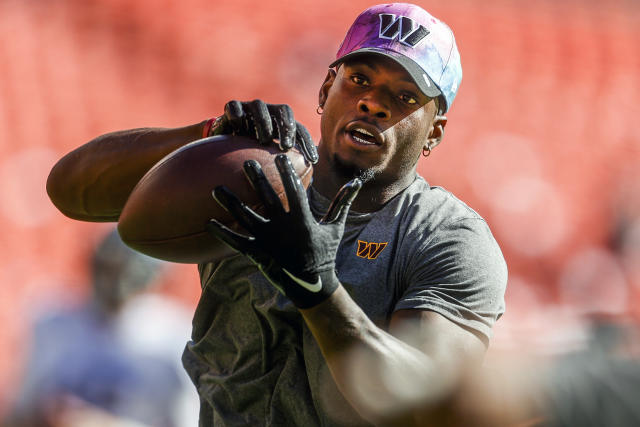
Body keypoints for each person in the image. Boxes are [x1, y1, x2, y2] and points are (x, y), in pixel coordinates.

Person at [46, 3, 507, 426]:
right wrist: (207, 135)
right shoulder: (252, 178)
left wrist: (318, 290)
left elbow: (428, 407)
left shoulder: (448, 237)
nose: (373, 103)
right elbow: (69, 189)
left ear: (434, 133)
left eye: (405, 98)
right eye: (359, 80)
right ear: (327, 88)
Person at [6, 229, 196, 427]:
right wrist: (50, 411)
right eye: (107, 267)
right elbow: (18, 414)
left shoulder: (176, 337)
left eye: (125, 271)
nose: (113, 282)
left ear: (152, 276)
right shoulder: (53, 323)